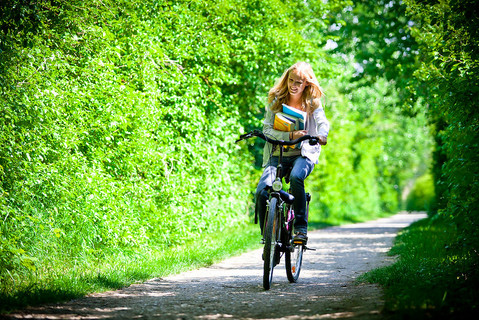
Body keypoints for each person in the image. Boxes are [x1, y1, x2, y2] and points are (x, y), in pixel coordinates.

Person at [255, 61, 330, 243]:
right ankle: (269, 236)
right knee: (261, 192)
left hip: (303, 154)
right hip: (278, 153)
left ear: (306, 84)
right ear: (286, 80)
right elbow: (267, 130)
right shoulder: (276, 100)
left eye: (299, 82)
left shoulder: (312, 102)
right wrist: (290, 135)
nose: (293, 85)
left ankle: (300, 228)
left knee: (297, 177)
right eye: (291, 80)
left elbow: (322, 122)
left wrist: (322, 134)